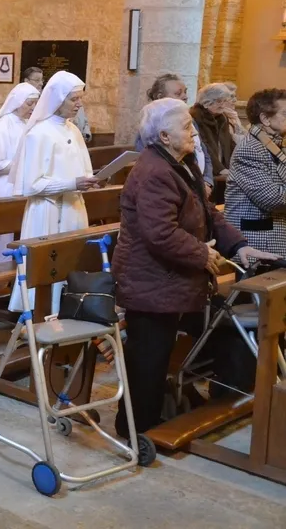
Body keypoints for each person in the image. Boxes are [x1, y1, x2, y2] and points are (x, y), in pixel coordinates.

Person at [113, 98, 276, 436]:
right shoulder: (154, 172)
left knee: (193, 341)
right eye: (186, 127)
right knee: (148, 359)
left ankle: (184, 407)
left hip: (172, 278)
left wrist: (238, 246)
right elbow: (160, 233)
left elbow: (208, 213)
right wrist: (203, 255)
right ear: (163, 136)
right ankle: (135, 430)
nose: (194, 132)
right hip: (151, 281)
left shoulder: (179, 162)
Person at [7, 71, 98, 313]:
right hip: (47, 211)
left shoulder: (73, 130)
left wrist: (91, 181)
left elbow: (83, 171)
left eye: (80, 98)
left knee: (73, 266)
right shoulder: (39, 133)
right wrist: (72, 183)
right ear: (58, 99)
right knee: (47, 269)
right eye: (74, 99)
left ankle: (69, 311)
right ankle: (42, 315)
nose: (79, 104)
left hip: (73, 208)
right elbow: (32, 184)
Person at [0, 82, 40, 264]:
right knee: (2, 235)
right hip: (3, 185)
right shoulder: (2, 126)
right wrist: (27, 163)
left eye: (35, 103)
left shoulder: (27, 124)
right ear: (17, 102)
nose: (33, 108)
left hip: (21, 185)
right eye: (29, 103)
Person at [224, 88, 286, 260]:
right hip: (258, 239)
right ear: (265, 119)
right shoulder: (250, 150)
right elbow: (273, 199)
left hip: (276, 234)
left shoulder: (274, 144)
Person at [134, 74, 214, 197]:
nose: (185, 96)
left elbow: (203, 152)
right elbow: (150, 160)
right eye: (178, 93)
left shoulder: (190, 121)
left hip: (197, 186)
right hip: (180, 189)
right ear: (160, 97)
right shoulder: (151, 127)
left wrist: (207, 181)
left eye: (185, 92)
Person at [191, 83, 236, 177]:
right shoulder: (196, 117)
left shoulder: (222, 118)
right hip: (205, 173)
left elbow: (229, 144)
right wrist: (219, 168)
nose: (223, 105)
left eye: (225, 101)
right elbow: (203, 146)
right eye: (219, 101)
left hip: (224, 171)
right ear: (206, 102)